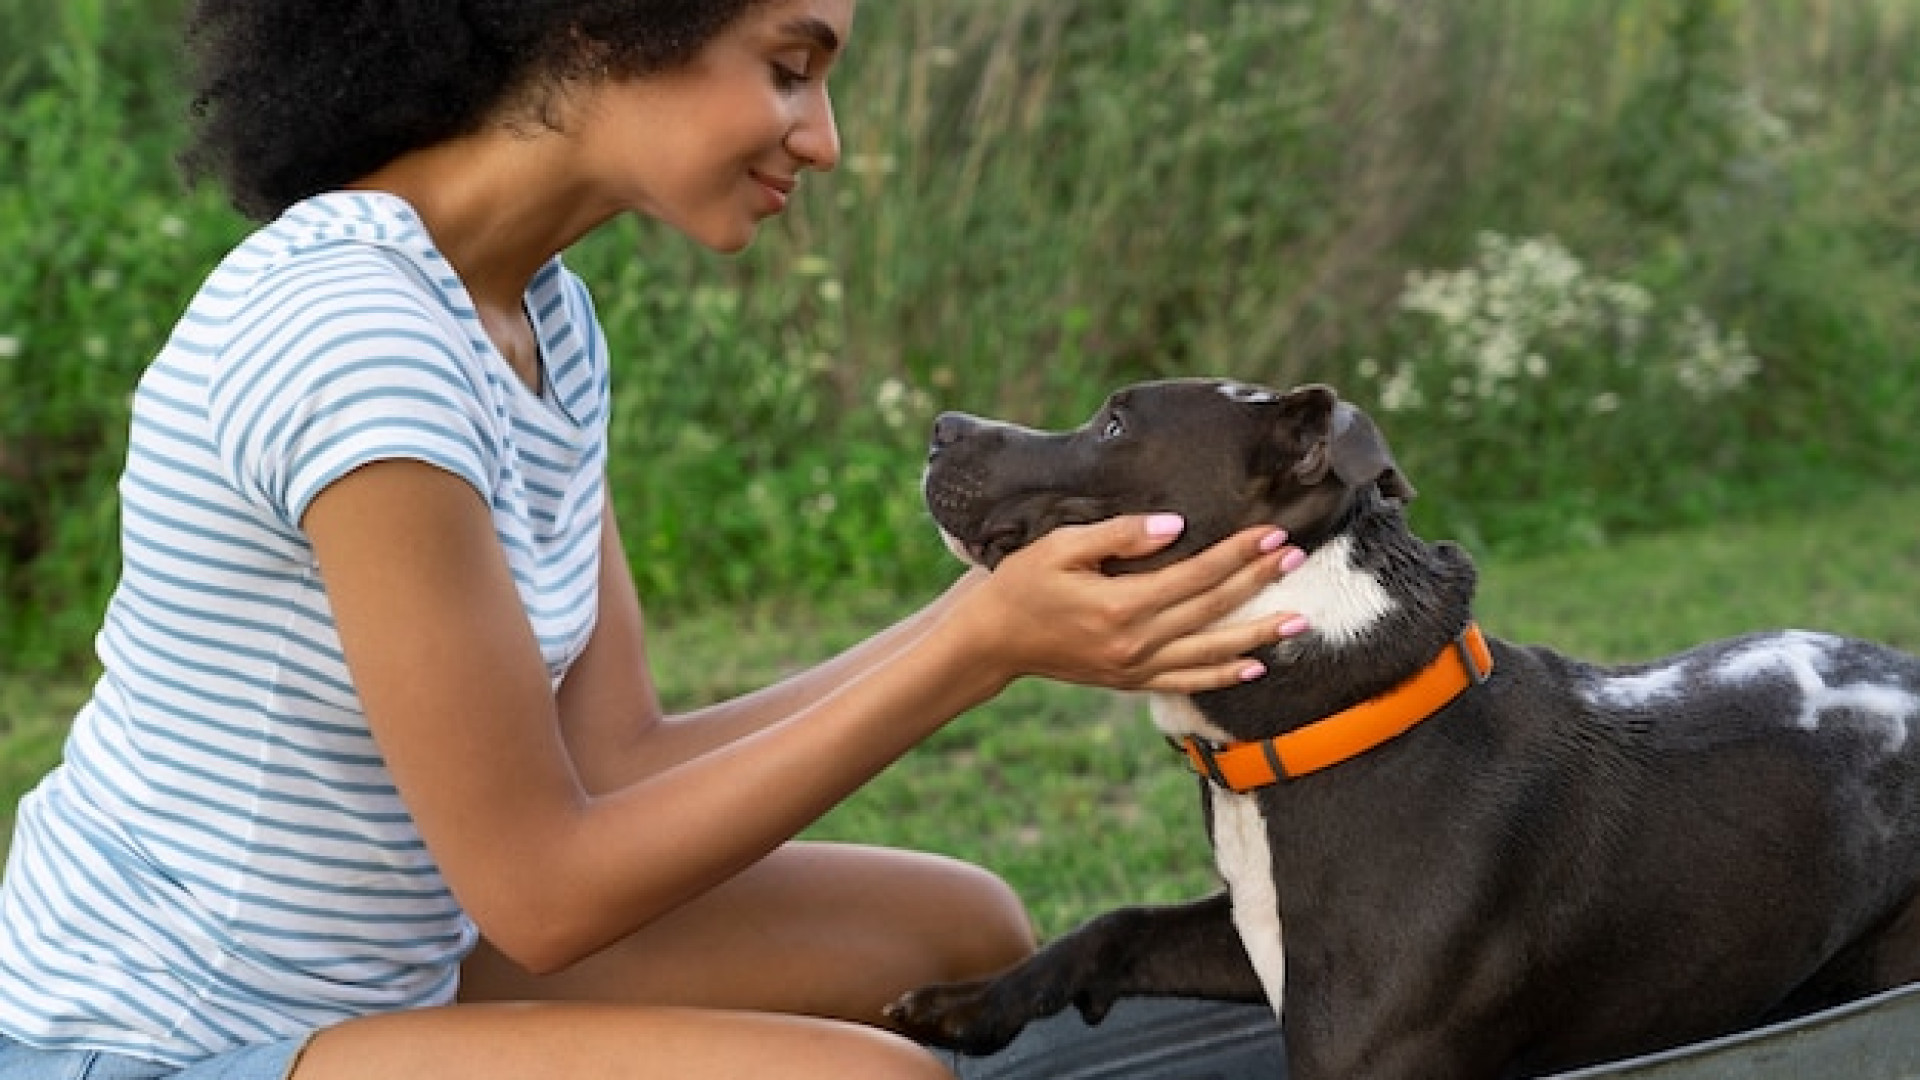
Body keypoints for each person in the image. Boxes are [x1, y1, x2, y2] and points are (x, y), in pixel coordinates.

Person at [0, 1, 1310, 1077]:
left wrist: (998, 616)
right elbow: (547, 891)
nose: (827, 140)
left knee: (957, 929)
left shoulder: (537, 318)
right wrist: (978, 649)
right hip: (166, 1030)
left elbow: (615, 763)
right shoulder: (356, 339)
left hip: (397, 955)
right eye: (790, 71)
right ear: (595, 30)